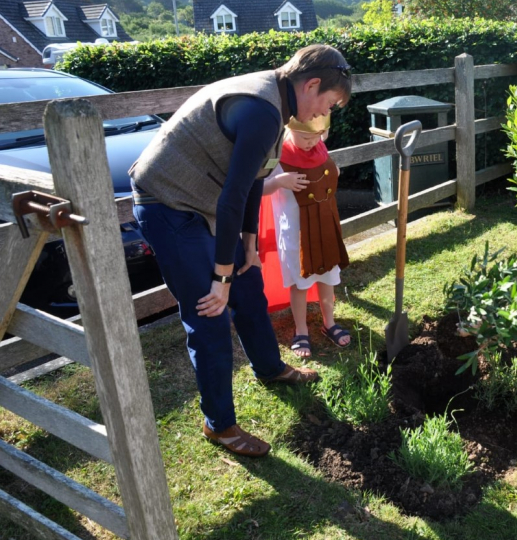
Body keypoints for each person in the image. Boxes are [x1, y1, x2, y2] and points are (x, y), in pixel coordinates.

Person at [129, 44, 352, 457]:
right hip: (169, 204)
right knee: (209, 313)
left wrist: (248, 244)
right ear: (313, 84)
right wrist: (220, 276)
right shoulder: (262, 109)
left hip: (208, 202)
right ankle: (220, 425)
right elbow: (233, 195)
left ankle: (270, 368)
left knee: (249, 286)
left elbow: (251, 180)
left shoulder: (278, 103)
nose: (324, 113)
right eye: (328, 103)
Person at [262, 113, 351, 357]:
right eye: (305, 136)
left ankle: (329, 322)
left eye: (317, 135)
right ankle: (301, 330)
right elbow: (256, 188)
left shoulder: (320, 148)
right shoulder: (276, 155)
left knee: (327, 276)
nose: (311, 142)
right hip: (295, 234)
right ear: (290, 129)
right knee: (300, 282)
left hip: (324, 227)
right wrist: (279, 181)